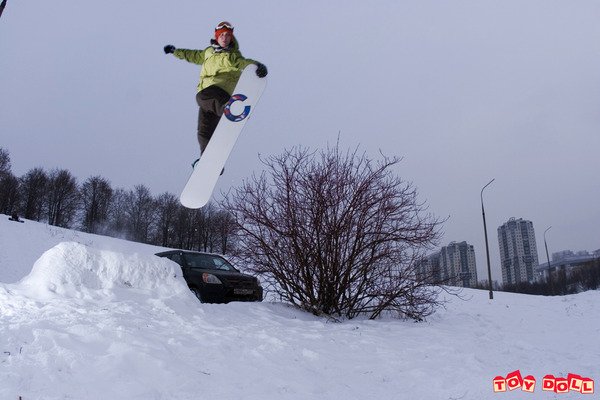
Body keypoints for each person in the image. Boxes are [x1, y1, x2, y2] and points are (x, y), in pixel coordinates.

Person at [164, 21, 267, 167]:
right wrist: (175, 51)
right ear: (216, 36)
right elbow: (192, 55)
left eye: (228, 35)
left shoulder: (231, 55)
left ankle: (228, 110)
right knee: (203, 131)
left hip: (220, 93)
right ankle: (209, 161)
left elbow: (244, 63)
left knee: (200, 97)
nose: (225, 38)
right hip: (210, 99)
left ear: (231, 38)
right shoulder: (208, 52)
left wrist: (257, 66)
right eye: (222, 35)